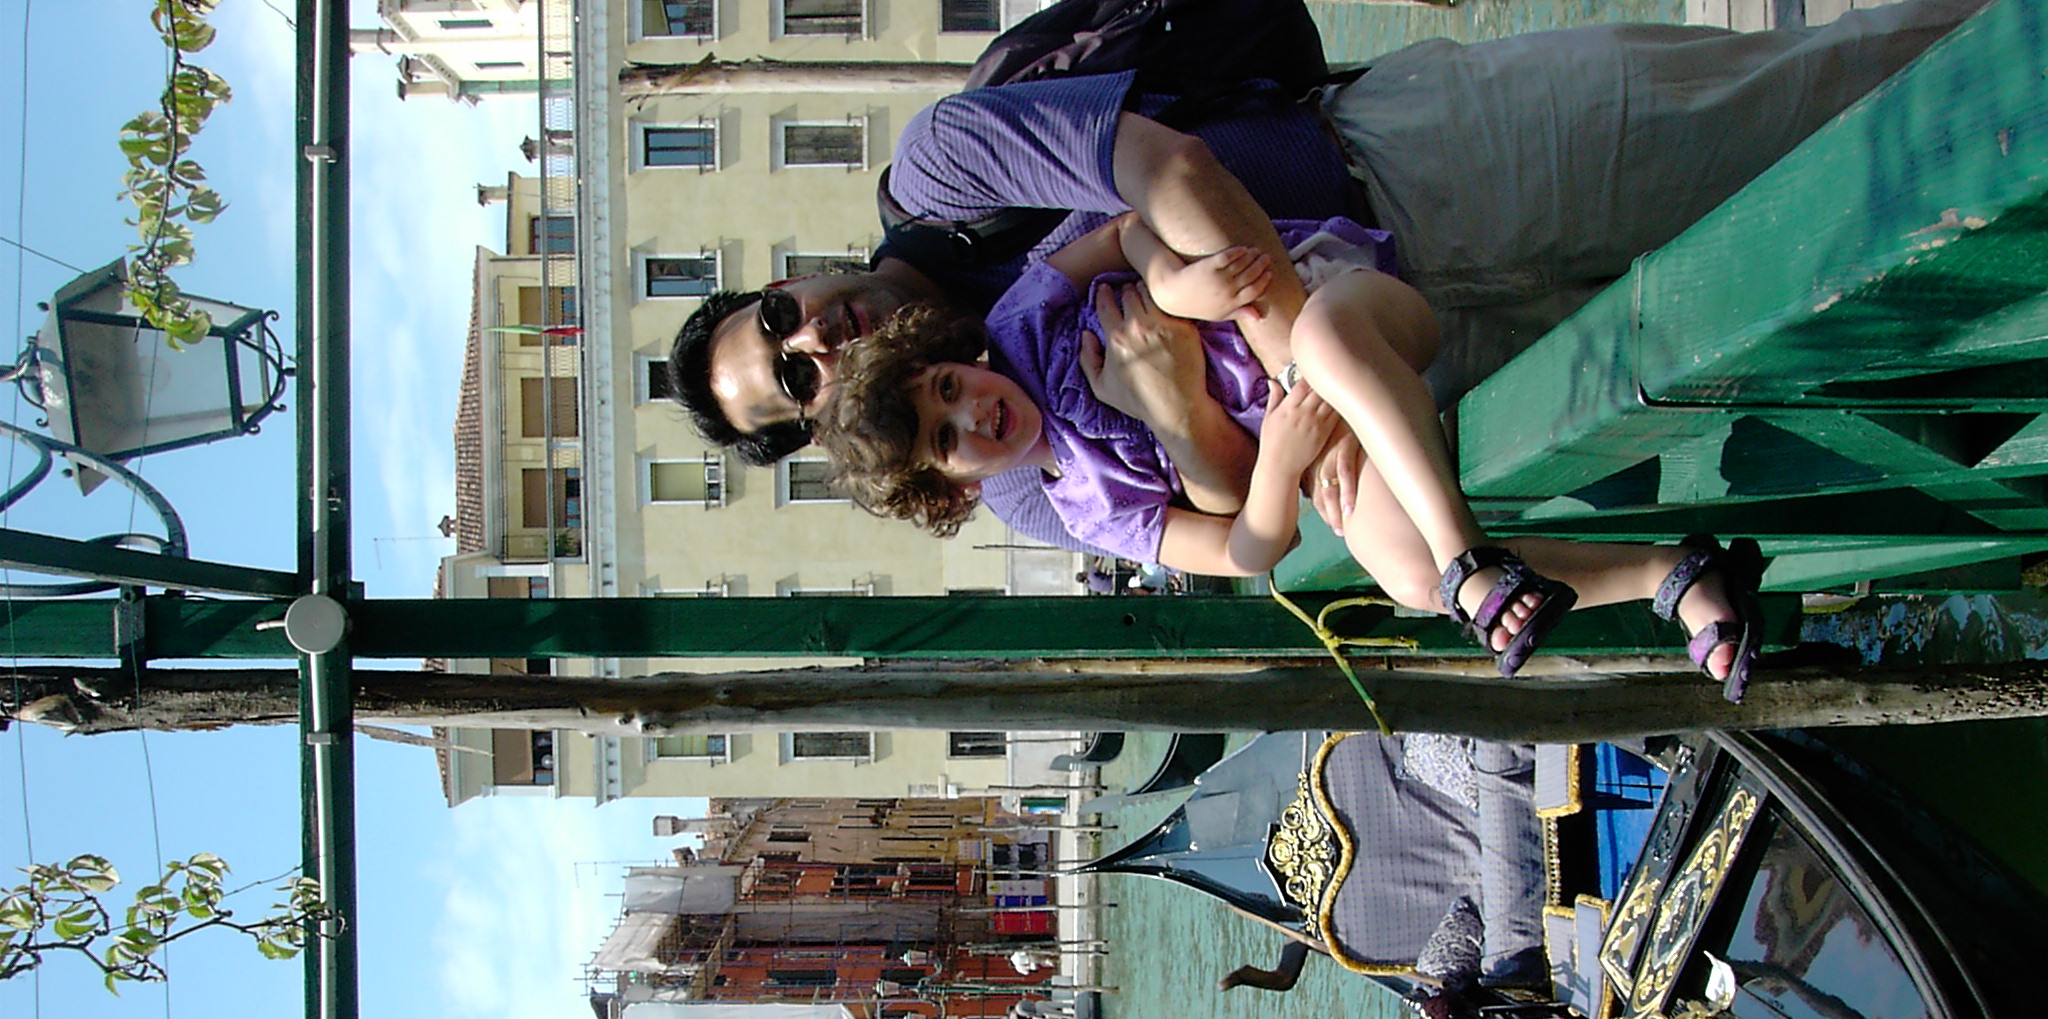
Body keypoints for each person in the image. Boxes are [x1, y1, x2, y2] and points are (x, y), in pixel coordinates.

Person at [669, 1, 1986, 551]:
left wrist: (1302, 360)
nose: (814, 340)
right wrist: (1188, 412)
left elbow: (1167, 172)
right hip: (1436, 369)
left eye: (779, 315)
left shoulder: (946, 172)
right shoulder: (1008, 478)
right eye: (794, 381)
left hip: (1425, 165)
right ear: (821, 425)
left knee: (1809, 102)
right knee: (1806, 314)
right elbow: (1217, 521)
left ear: (793, 276)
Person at [811, 209, 1766, 685]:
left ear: (953, 356)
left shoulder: (1025, 319)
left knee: (1325, 343)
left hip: (1336, 306)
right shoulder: (1086, 506)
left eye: (949, 389)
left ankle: (1470, 558)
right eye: (947, 441)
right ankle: (1675, 574)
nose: (973, 415)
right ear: (955, 491)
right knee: (1405, 575)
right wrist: (1276, 461)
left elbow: (1130, 230)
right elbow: (1243, 550)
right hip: (1317, 441)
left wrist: (1175, 287)